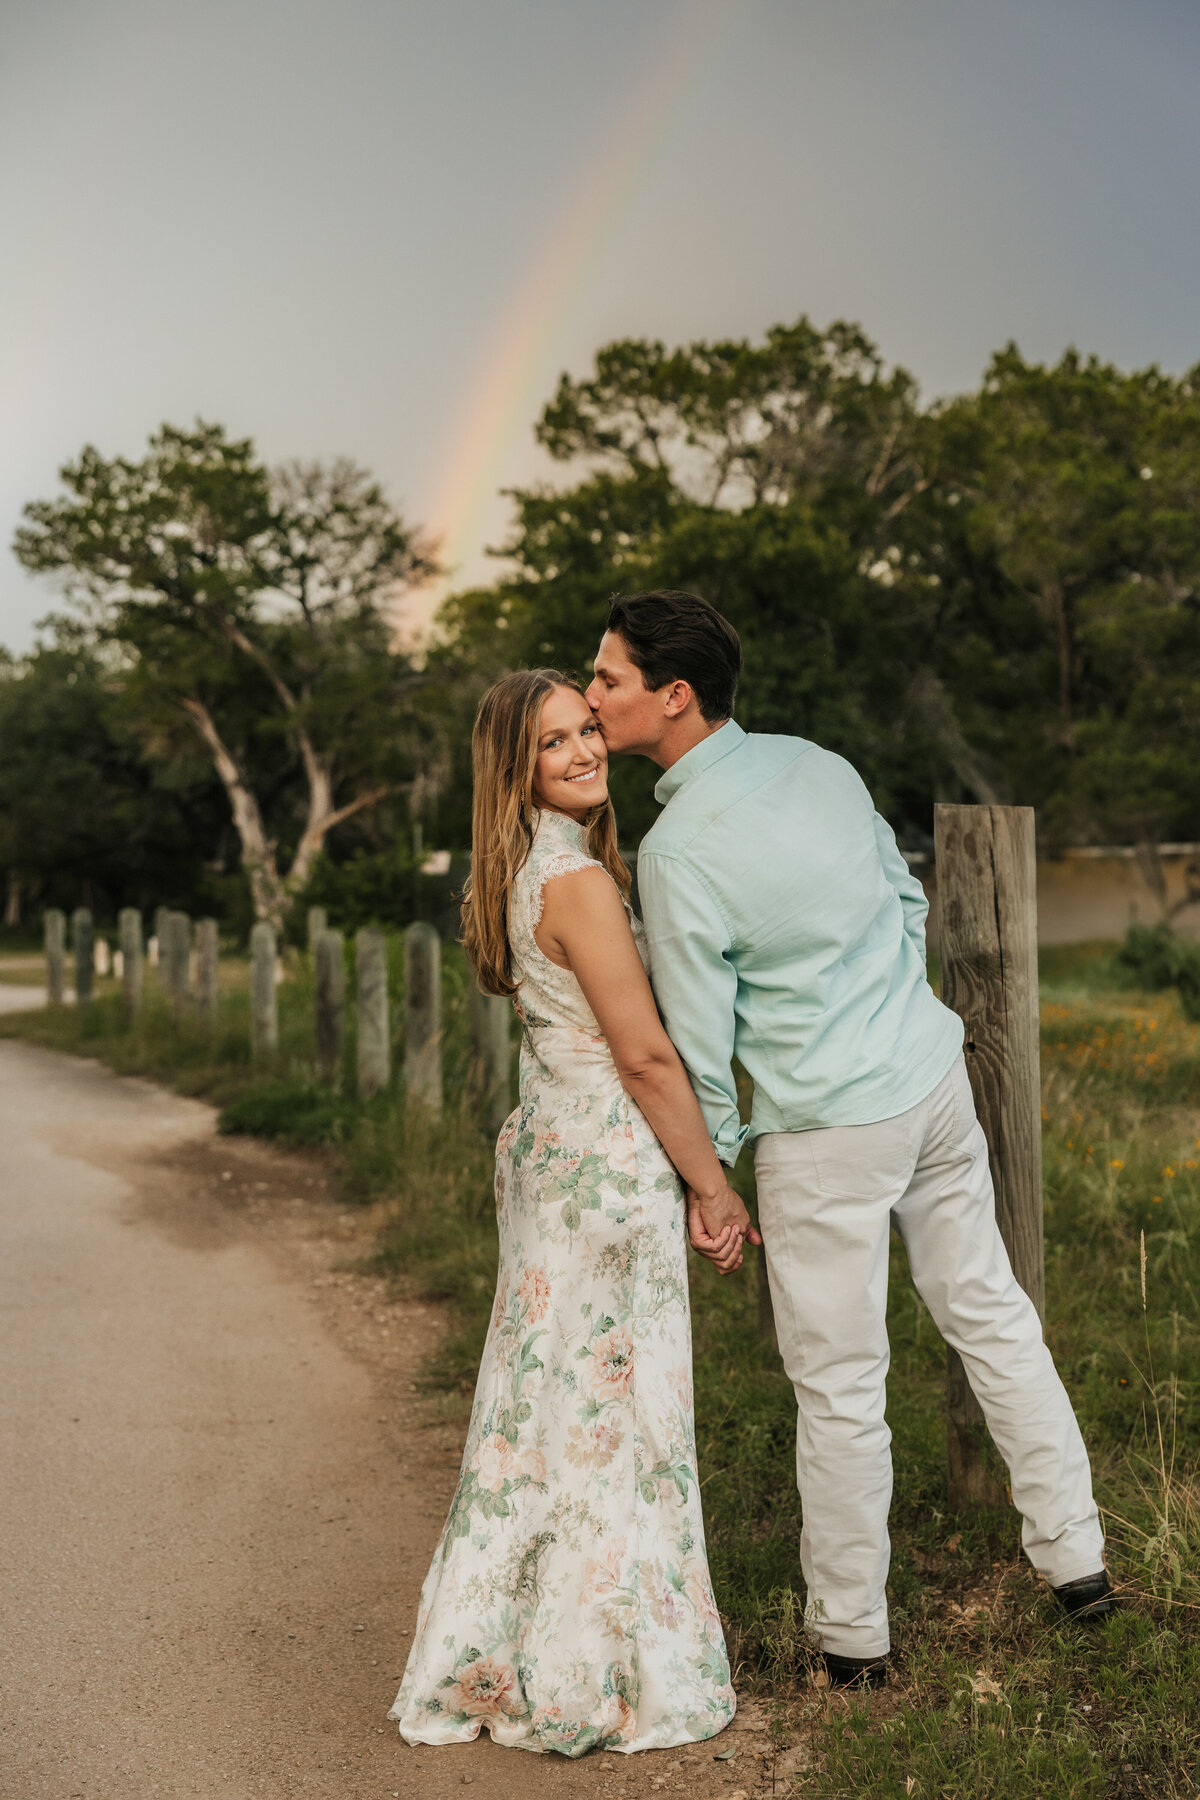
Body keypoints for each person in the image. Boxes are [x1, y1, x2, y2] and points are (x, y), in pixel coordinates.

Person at [584, 589, 1112, 1691]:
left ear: (673, 698)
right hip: (927, 1078)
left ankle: (854, 1638)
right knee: (990, 1314)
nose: (592, 699)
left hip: (825, 1130)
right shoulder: (821, 764)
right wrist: (890, 1013)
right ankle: (1081, 1564)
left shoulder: (679, 851)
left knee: (839, 1384)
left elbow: (694, 1033)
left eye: (608, 681)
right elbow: (903, 899)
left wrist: (709, 1169)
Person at [390, 669, 739, 1757]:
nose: (588, 749)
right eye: (557, 742)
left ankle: (511, 1646)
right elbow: (642, 1055)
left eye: (589, 727)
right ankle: (600, 1664)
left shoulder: (520, 874)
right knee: (613, 1415)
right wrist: (714, 1186)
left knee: (540, 1405)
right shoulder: (577, 883)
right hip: (601, 1162)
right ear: (518, 769)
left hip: (549, 1150)